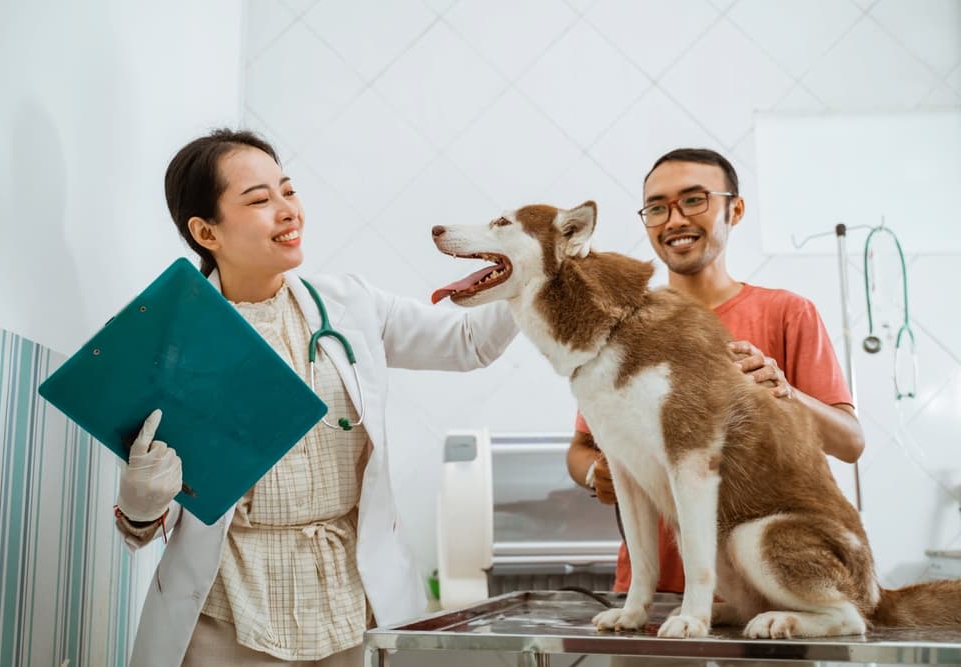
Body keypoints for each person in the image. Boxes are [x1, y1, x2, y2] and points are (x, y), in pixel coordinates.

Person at [113, 128, 518, 667]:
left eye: (288, 190)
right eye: (259, 200)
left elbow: (469, 344)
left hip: (349, 602)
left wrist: (534, 273)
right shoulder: (172, 338)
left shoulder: (351, 304)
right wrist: (141, 503)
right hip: (230, 610)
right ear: (205, 231)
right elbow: (144, 528)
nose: (287, 210)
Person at [566, 147, 865, 597]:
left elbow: (850, 442)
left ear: (735, 209)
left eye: (694, 200)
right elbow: (581, 448)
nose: (674, 220)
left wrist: (784, 391)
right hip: (657, 592)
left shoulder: (787, 312)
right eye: (657, 208)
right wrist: (596, 473)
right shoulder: (620, 325)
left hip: (771, 589)